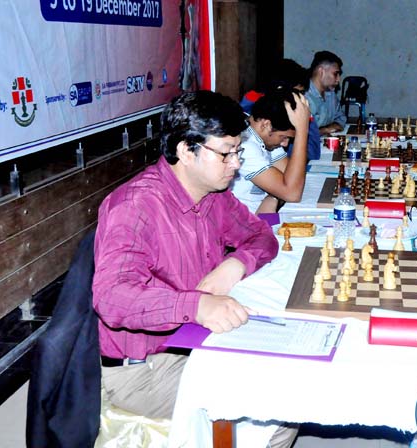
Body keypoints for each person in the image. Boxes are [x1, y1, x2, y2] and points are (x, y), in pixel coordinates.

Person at [92, 91, 297, 447]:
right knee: (277, 399)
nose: (235, 163)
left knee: (292, 369)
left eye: (238, 152)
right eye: (226, 153)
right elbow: (111, 298)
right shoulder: (135, 206)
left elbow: (263, 238)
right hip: (146, 369)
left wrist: (234, 264)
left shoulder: (214, 194)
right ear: (187, 151)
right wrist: (196, 305)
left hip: (196, 343)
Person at [231, 87, 311, 213]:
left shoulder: (265, 138)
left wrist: (273, 197)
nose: (285, 144)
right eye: (284, 137)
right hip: (244, 225)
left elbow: (294, 179)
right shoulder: (245, 145)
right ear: (266, 125)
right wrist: (302, 131)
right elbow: (292, 193)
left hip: (261, 214)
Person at [240, 58, 321, 161]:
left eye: (302, 94)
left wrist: (307, 117)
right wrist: (303, 126)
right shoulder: (258, 114)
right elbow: (309, 156)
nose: (300, 98)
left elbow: (312, 155)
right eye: (297, 93)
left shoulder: (288, 110)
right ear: (279, 89)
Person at [305, 50, 346, 135]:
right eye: (335, 74)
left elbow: (341, 118)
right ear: (321, 72)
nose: (338, 80)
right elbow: (302, 132)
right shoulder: (304, 96)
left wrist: (331, 127)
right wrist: (325, 130)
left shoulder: (331, 95)